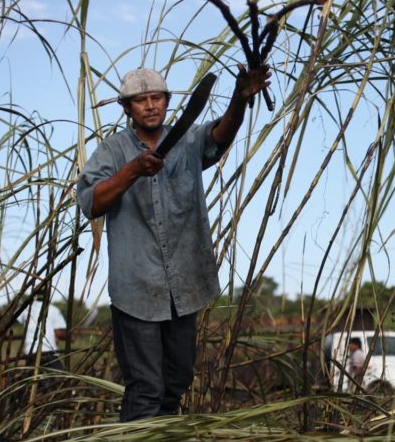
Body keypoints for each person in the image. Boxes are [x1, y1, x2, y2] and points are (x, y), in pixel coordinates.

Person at [76, 65, 270, 421]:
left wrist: (239, 100)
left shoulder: (188, 141)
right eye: (140, 101)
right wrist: (133, 170)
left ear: (166, 102)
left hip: (184, 286)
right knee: (146, 387)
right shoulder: (114, 150)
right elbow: (91, 202)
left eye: (157, 98)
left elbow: (220, 134)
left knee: (176, 381)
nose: (150, 106)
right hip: (137, 291)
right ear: (127, 108)